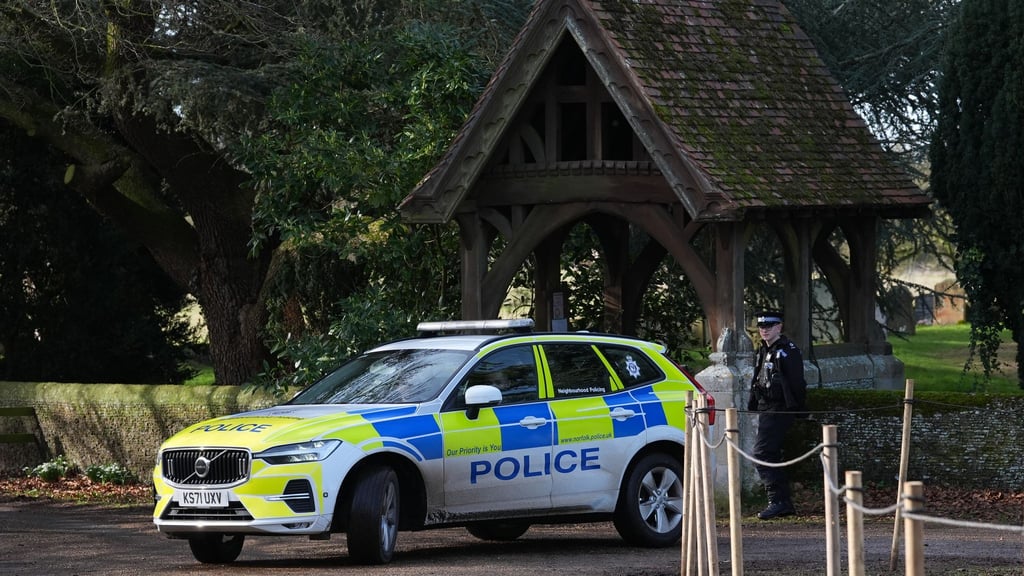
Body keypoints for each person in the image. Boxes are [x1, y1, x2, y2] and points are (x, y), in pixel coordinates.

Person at [747, 309, 807, 519]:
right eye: (761, 327)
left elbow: (798, 384)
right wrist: (752, 404)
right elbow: (758, 378)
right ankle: (782, 502)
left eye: (769, 326)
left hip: (780, 409)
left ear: (779, 327)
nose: (764, 330)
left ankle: (778, 501)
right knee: (768, 454)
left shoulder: (788, 351)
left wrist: (800, 410)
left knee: (763, 454)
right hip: (766, 407)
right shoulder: (763, 349)